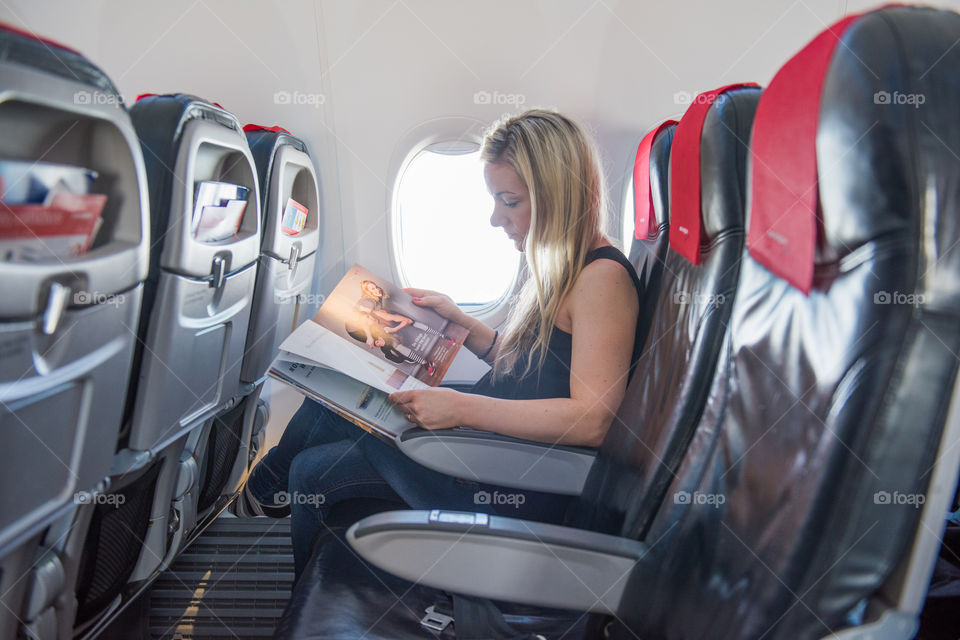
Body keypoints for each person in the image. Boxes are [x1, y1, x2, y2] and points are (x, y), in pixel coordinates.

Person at [243, 108, 645, 576]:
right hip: (490, 448)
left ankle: (259, 497)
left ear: (559, 195)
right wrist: (465, 326)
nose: (497, 218)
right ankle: (267, 504)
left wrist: (458, 408)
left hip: (512, 476)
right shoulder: (563, 266)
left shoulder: (603, 280)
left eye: (509, 201)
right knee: (322, 433)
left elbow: (593, 419)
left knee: (322, 438)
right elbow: (538, 373)